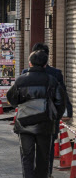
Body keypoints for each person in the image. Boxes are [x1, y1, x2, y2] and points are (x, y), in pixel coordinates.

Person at [7, 50, 66, 178]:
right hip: (45, 124)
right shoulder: (52, 81)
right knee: (43, 157)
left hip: (24, 123)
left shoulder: (21, 80)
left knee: (26, 157)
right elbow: (61, 102)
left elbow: (11, 98)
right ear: (45, 64)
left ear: (30, 63)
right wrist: (54, 117)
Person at [21, 43, 72, 175]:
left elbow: (15, 97)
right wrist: (58, 114)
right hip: (48, 119)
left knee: (28, 152)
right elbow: (62, 97)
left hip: (27, 118)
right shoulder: (55, 74)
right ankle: (46, 174)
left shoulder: (25, 75)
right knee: (46, 150)